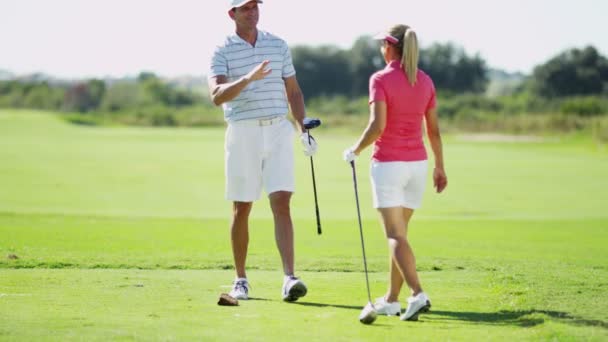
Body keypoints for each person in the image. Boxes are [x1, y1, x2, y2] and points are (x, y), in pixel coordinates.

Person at [207, 0, 317, 302]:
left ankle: (289, 278)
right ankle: (240, 279)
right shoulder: (222, 50)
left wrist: (301, 128)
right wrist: (247, 79)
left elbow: (293, 91)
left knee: (282, 201)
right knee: (242, 206)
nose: (252, 12)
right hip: (243, 131)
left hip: (278, 129)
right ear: (233, 14)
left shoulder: (278, 44)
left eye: (256, 6)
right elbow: (216, 96)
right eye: (245, 8)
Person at [343, 24, 448, 321]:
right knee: (400, 236)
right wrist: (440, 166)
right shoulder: (425, 81)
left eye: (382, 44)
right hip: (418, 166)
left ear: (390, 46)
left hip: (389, 166)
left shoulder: (380, 79)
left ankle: (417, 293)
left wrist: (355, 150)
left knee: (394, 235)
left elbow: (377, 126)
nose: (380, 48)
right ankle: (391, 299)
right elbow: (435, 131)